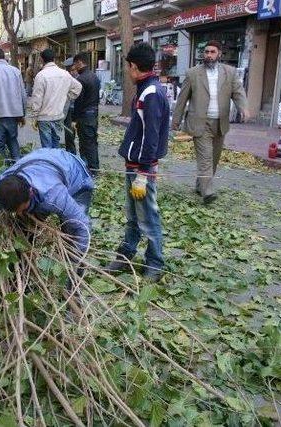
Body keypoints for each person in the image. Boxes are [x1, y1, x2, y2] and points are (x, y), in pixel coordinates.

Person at [105, 43, 170, 282]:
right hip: (134, 166)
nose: (128, 72)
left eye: (128, 68)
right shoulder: (146, 90)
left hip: (142, 169)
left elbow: (151, 136)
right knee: (132, 216)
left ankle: (155, 263)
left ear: (134, 66)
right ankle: (126, 255)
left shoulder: (150, 93)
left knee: (148, 216)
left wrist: (143, 174)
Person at [0, 148, 94, 267]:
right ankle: (23, 266)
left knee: (71, 229)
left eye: (22, 209)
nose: (21, 213)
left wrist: (74, 264)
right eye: (15, 211)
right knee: (24, 227)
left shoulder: (53, 195)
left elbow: (83, 226)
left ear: (31, 192)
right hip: (43, 160)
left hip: (76, 174)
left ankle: (73, 281)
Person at [171, 40, 248, 205]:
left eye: (212, 52)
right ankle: (208, 191)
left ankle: (201, 185)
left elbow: (238, 92)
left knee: (214, 158)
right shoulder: (193, 73)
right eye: (206, 52)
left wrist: (243, 108)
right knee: (205, 157)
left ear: (219, 53)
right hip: (200, 122)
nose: (209, 55)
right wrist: (175, 120)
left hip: (220, 123)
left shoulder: (230, 72)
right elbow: (182, 98)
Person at [29, 49, 82, 149]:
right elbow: (78, 87)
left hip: (44, 118)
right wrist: (67, 96)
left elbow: (37, 98)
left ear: (41, 60)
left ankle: (50, 163)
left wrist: (34, 117)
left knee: (47, 147)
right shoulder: (65, 74)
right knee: (56, 144)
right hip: (58, 116)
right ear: (54, 59)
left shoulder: (41, 76)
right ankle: (55, 163)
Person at [72, 52, 101, 176]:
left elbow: (79, 102)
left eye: (75, 64)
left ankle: (92, 169)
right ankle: (91, 167)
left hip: (84, 115)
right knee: (92, 141)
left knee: (86, 143)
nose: (74, 67)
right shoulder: (94, 76)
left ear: (80, 62)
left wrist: (74, 119)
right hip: (93, 113)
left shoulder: (81, 79)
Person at [62, 57, 79, 155]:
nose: (73, 72)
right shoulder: (66, 79)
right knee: (69, 134)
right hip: (68, 110)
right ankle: (71, 153)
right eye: (70, 70)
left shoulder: (81, 79)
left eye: (74, 70)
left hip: (78, 110)